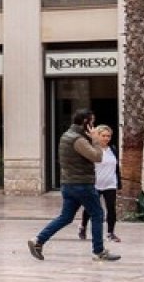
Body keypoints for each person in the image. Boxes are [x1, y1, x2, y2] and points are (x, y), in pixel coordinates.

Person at [26, 111, 119, 263]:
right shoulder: (78, 140)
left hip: (68, 184)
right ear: (85, 122)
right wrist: (95, 140)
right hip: (82, 184)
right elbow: (97, 157)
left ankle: (38, 240)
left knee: (66, 217)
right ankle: (99, 251)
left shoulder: (66, 136)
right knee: (97, 214)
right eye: (92, 122)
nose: (93, 126)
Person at [78, 125, 121, 244]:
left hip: (110, 184)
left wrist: (119, 183)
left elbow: (116, 168)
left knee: (111, 208)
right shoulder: (92, 150)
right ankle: (83, 226)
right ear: (98, 136)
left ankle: (110, 232)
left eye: (108, 136)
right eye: (103, 136)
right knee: (90, 207)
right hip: (95, 184)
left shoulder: (113, 150)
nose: (106, 138)